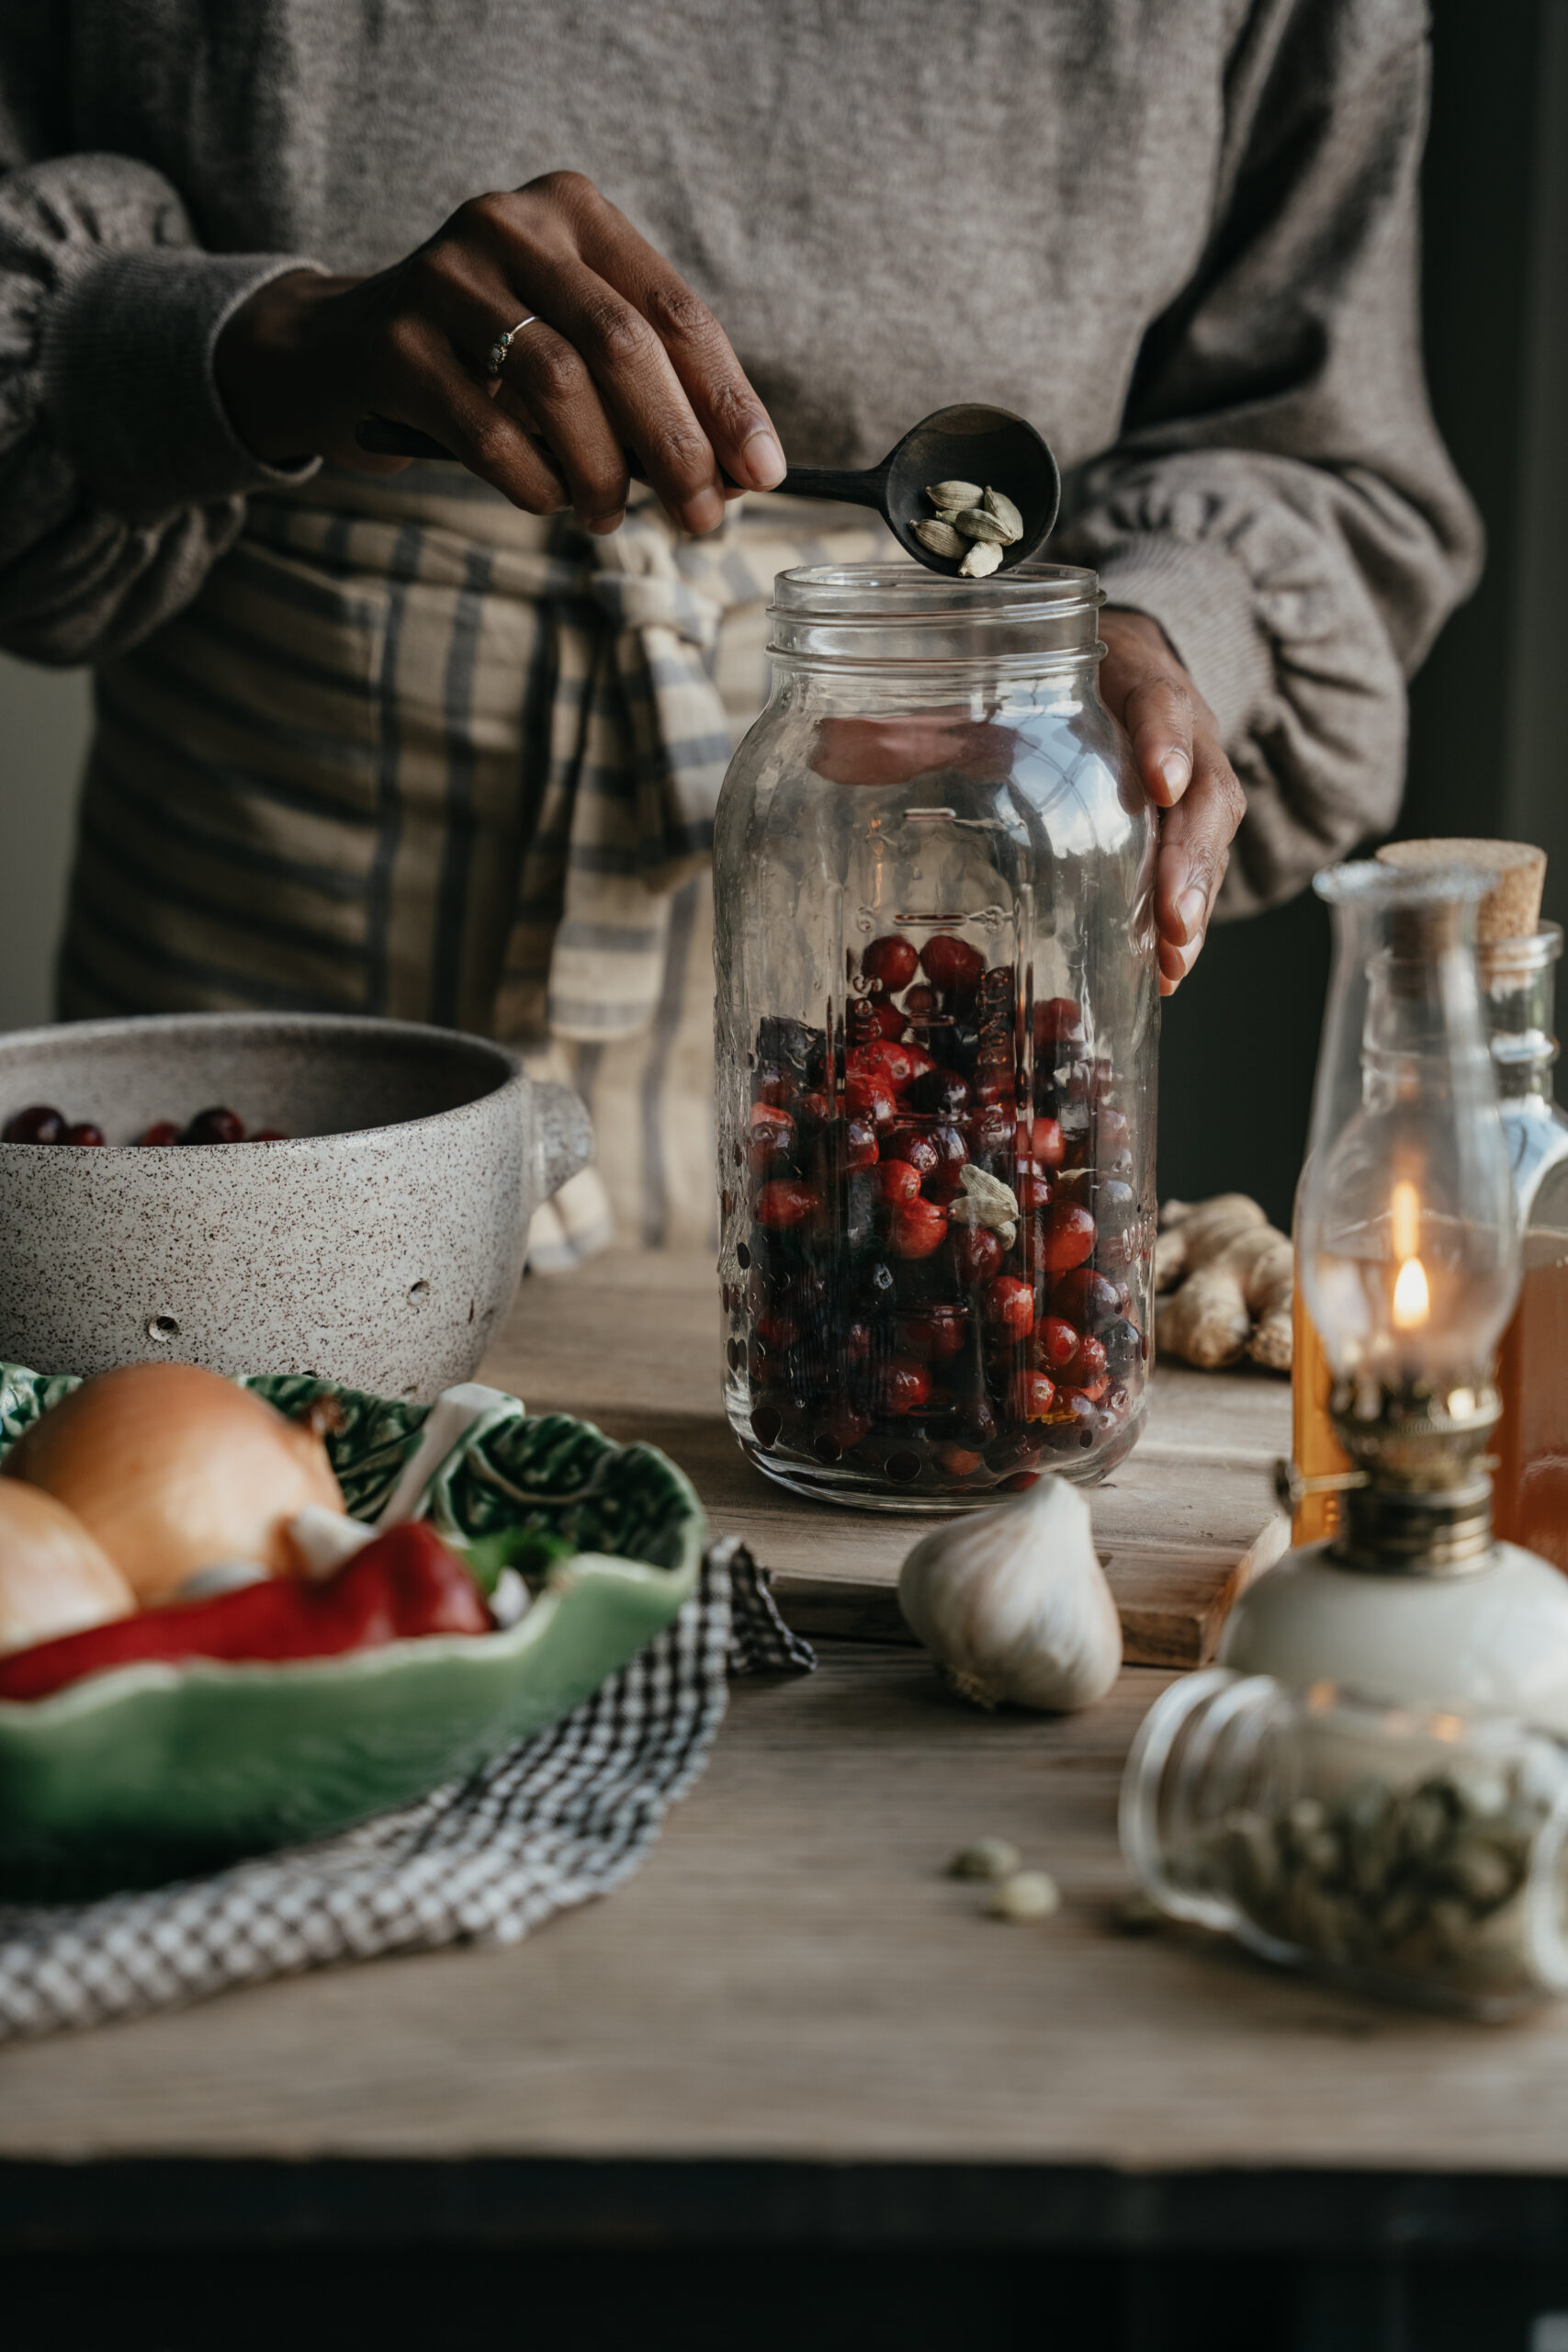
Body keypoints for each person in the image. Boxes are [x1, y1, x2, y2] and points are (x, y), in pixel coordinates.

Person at [0, 1, 1480, 1259]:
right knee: (192, 1505)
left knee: (864, 1376)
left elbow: (1316, 440)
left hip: (919, 848)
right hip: (256, 1014)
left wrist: (1159, 624)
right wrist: (245, 343)